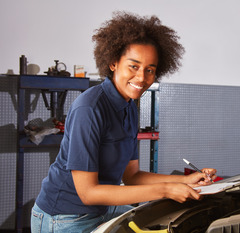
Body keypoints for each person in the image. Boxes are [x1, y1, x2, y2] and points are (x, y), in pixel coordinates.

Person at [31, 11, 217, 233]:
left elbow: (132, 176)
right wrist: (167, 190)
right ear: (113, 62)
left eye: (150, 70)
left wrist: (185, 183)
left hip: (101, 209)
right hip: (64, 217)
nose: (142, 78)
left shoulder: (130, 106)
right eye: (134, 66)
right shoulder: (89, 109)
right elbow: (88, 193)